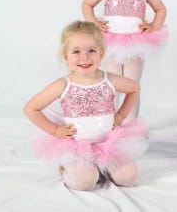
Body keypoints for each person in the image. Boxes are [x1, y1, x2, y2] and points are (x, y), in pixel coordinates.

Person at [23, 21, 148, 191]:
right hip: (76, 146)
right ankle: (68, 168)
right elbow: (31, 108)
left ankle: (103, 168)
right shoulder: (63, 84)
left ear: (101, 53)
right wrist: (55, 130)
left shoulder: (109, 79)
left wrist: (119, 116)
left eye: (91, 50)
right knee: (84, 182)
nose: (85, 58)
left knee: (129, 177)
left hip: (107, 143)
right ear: (66, 56)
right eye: (76, 52)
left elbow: (134, 89)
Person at [82, 0, 167, 120]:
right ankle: (108, 122)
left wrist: (153, 26)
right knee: (110, 83)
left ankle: (131, 126)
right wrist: (95, 22)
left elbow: (160, 9)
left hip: (136, 43)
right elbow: (87, 4)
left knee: (132, 84)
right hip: (110, 42)